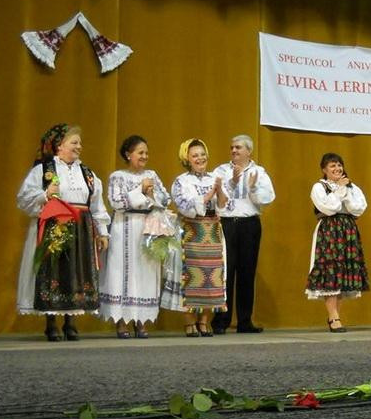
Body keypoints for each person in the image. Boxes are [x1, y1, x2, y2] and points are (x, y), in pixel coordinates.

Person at [16, 124, 110, 341]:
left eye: (80, 143)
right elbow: (24, 199)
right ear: (59, 145)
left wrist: (103, 232)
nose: (79, 146)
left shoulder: (87, 174)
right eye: (74, 142)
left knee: (76, 273)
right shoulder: (43, 170)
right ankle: (51, 324)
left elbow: (97, 205)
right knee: (53, 272)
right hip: (54, 226)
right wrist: (45, 195)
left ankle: (70, 323)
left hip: (81, 230)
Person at [100, 135, 170, 338]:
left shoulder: (151, 175)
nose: (144, 156)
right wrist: (140, 189)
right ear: (128, 154)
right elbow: (117, 202)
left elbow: (165, 199)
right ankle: (122, 321)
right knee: (123, 271)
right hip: (124, 227)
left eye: (146, 153)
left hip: (147, 227)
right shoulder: (118, 176)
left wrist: (151, 194)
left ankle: (141, 320)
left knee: (145, 271)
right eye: (140, 152)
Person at [210, 135, 275, 335]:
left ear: (249, 151)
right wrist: (232, 181)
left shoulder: (259, 172)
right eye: (232, 147)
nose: (234, 151)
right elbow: (214, 198)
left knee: (247, 272)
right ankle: (221, 320)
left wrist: (252, 187)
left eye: (238, 147)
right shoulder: (221, 171)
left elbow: (268, 198)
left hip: (249, 225)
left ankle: (245, 321)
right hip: (226, 224)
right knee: (225, 273)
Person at [305, 153, 369, 332]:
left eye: (339, 165)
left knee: (342, 273)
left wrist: (344, 192)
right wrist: (340, 191)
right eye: (332, 166)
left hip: (348, 229)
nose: (337, 168)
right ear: (324, 169)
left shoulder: (351, 186)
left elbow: (359, 208)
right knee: (330, 272)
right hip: (329, 230)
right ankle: (334, 317)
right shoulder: (319, 187)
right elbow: (329, 208)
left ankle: (335, 316)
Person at [171, 139, 228, 337]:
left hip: (212, 231)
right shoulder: (181, 181)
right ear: (186, 159)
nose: (200, 158)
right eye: (195, 155)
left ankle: (204, 321)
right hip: (191, 232)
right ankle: (189, 323)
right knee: (191, 277)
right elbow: (183, 206)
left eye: (202, 154)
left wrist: (219, 191)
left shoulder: (215, 177)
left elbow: (225, 205)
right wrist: (209, 194)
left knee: (212, 277)